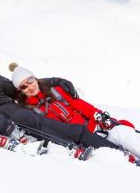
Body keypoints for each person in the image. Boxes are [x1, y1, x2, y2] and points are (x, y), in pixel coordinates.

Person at [0, 49, 119, 152]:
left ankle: (118, 152)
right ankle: (71, 148)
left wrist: (53, 81)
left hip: (22, 117)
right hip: (1, 129)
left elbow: (22, 86)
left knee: (73, 130)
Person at [9, 62, 140, 157]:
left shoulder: (56, 90)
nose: (30, 87)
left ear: (36, 79)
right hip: (84, 141)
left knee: (125, 134)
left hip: (96, 127)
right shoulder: (30, 111)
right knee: (115, 154)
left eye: (30, 80)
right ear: (20, 91)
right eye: (24, 86)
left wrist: (100, 117)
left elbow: (82, 106)